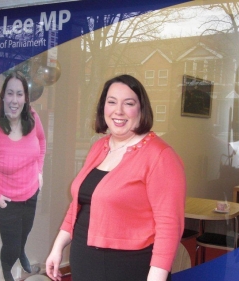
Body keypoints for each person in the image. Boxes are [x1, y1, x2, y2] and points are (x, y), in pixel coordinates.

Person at [45, 74, 186, 281]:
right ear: (103, 107)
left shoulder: (160, 156)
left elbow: (169, 226)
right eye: (111, 102)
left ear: (141, 109)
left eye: (128, 103)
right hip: (85, 261)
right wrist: (58, 247)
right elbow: (79, 205)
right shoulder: (99, 147)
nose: (118, 111)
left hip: (127, 267)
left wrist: (157, 277)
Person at [0, 71, 46, 281]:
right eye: (10, 94)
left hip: (31, 194)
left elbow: (42, 143)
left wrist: (40, 171)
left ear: (25, 98)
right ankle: (7, 272)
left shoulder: (33, 118)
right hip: (7, 202)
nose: (14, 100)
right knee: (11, 246)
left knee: (24, 235)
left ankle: (22, 252)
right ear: (3, 97)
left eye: (19, 94)